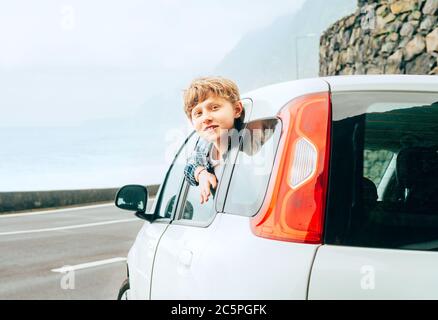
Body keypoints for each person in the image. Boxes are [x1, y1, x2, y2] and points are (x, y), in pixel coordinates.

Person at [183, 76, 244, 204]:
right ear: (192, 122)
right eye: (198, 113)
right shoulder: (205, 147)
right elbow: (189, 166)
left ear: (237, 109)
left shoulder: (249, 147)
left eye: (214, 107)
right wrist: (201, 173)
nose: (206, 118)